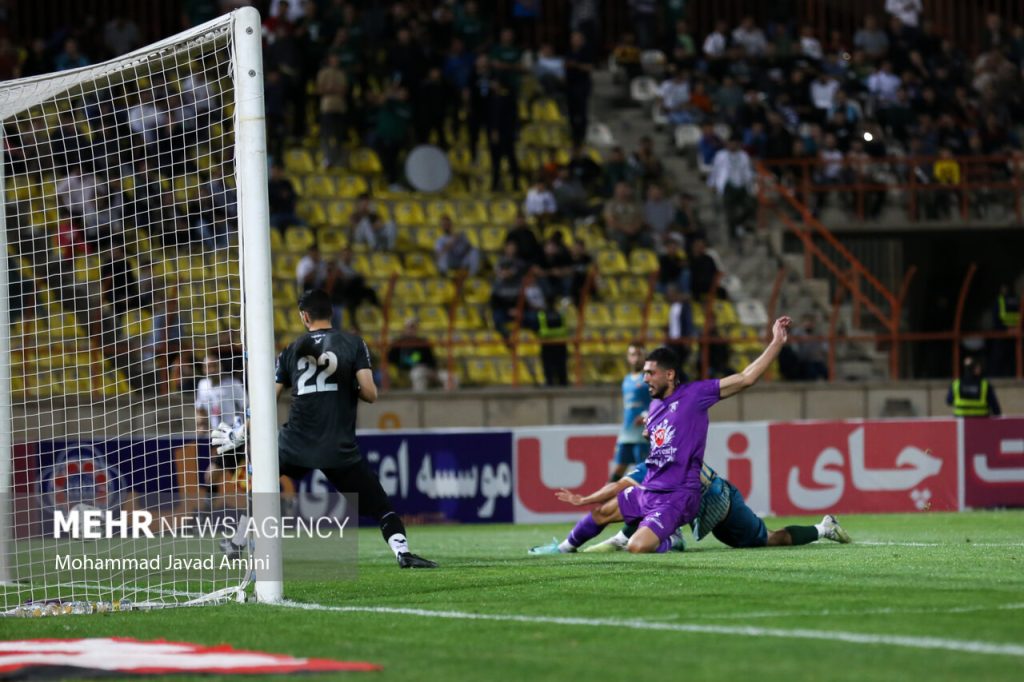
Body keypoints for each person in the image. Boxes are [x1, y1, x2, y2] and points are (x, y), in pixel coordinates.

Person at [530, 318, 795, 554]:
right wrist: (649, 429)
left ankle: (670, 539)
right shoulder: (655, 405)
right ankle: (563, 549)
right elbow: (661, 435)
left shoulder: (695, 395)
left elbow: (745, 378)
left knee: (637, 546)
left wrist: (776, 343)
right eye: (644, 372)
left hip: (678, 494)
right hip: (651, 487)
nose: (645, 379)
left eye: (650, 373)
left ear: (669, 375)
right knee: (601, 512)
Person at [215, 290, 437, 568]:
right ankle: (402, 552)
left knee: (263, 487)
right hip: (337, 446)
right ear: (330, 314)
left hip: (295, 442)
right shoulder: (353, 343)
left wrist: (239, 432)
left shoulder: (291, 349)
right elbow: (370, 394)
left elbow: (267, 403)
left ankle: (236, 542)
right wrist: (346, 383)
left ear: (304, 316)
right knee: (380, 506)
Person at [529, 459, 851, 554]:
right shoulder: (655, 458)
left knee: (769, 539)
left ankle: (824, 527)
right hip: (679, 504)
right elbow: (623, 486)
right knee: (609, 509)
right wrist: (587, 501)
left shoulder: (671, 453)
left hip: (718, 505)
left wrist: (584, 498)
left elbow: (623, 484)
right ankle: (566, 547)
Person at [609, 344, 651, 482]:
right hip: (626, 432)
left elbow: (659, 402)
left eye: (639, 354)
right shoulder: (626, 380)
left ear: (645, 356)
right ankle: (603, 501)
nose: (636, 358)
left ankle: (644, 501)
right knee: (618, 469)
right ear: (628, 358)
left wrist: (645, 415)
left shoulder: (649, 378)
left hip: (642, 434)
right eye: (633, 354)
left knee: (643, 470)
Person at [387, 317, 444, 391]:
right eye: (410, 327)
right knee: (417, 374)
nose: (412, 330)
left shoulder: (422, 342)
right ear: (404, 329)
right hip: (408, 371)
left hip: (426, 370)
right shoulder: (398, 343)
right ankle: (419, 401)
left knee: (450, 378)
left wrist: (433, 369)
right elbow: (390, 359)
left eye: (414, 327)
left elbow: (431, 360)